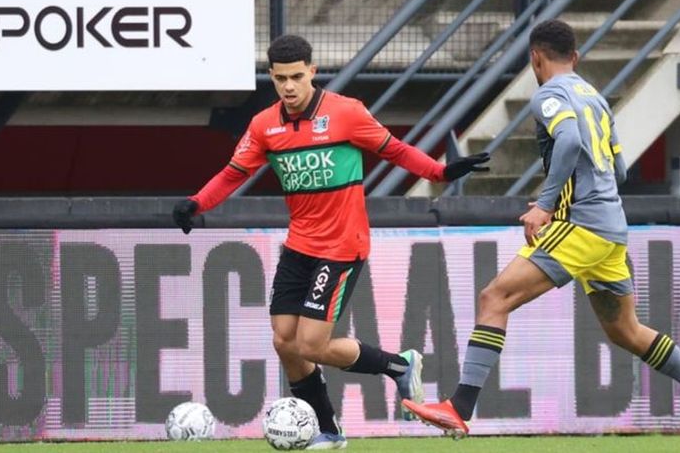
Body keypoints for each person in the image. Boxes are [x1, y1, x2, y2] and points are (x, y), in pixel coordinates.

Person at [403, 19, 680, 448]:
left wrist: (547, 204)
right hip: (609, 226)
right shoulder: (596, 98)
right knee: (626, 331)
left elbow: (567, 142)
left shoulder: (549, 95)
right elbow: (619, 168)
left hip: (581, 224)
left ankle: (459, 407)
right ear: (576, 58)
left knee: (495, 298)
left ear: (535, 58)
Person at [172, 35, 489, 450]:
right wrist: (197, 202)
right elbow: (233, 174)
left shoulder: (346, 113)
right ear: (271, 76)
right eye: (280, 78)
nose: (289, 86)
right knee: (285, 341)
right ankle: (329, 430)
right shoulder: (264, 125)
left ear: (313, 72)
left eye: (297, 77)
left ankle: (398, 365)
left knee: (310, 344)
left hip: (342, 246)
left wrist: (441, 174)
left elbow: (395, 150)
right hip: (300, 244)